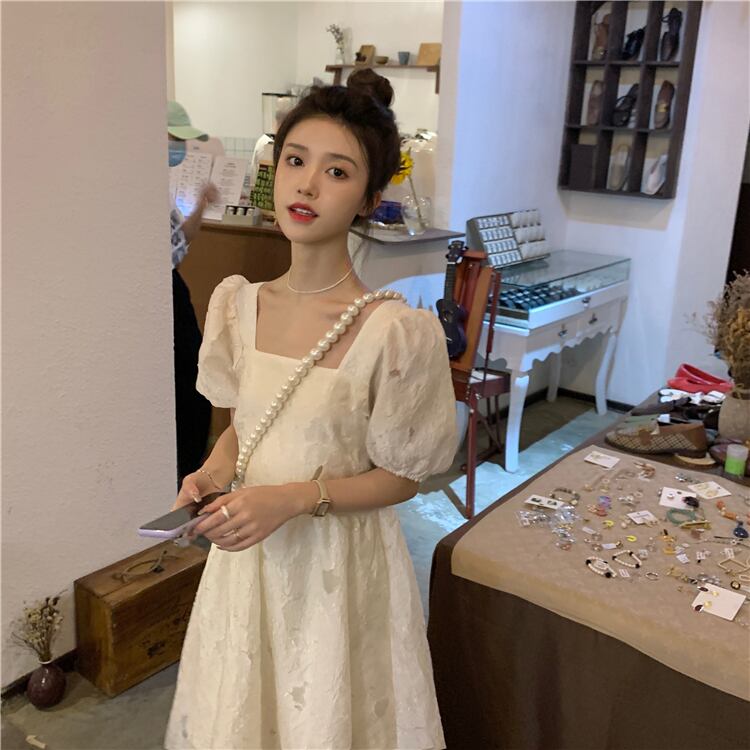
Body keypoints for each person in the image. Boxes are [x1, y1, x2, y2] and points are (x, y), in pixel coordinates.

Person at [164, 70, 458, 750]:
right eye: (296, 161)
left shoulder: (395, 332)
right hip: (249, 561)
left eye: (337, 171)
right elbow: (245, 429)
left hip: (338, 568)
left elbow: (403, 478)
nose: (307, 185)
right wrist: (210, 475)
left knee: (325, 717)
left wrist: (294, 499)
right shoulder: (239, 304)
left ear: (369, 199)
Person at [167, 101, 219, 484]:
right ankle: (182, 471)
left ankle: (187, 468)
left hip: (172, 288)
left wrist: (200, 204)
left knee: (190, 382)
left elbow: (181, 240)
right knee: (187, 384)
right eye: (173, 140)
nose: (179, 149)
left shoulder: (162, 190)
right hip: (165, 295)